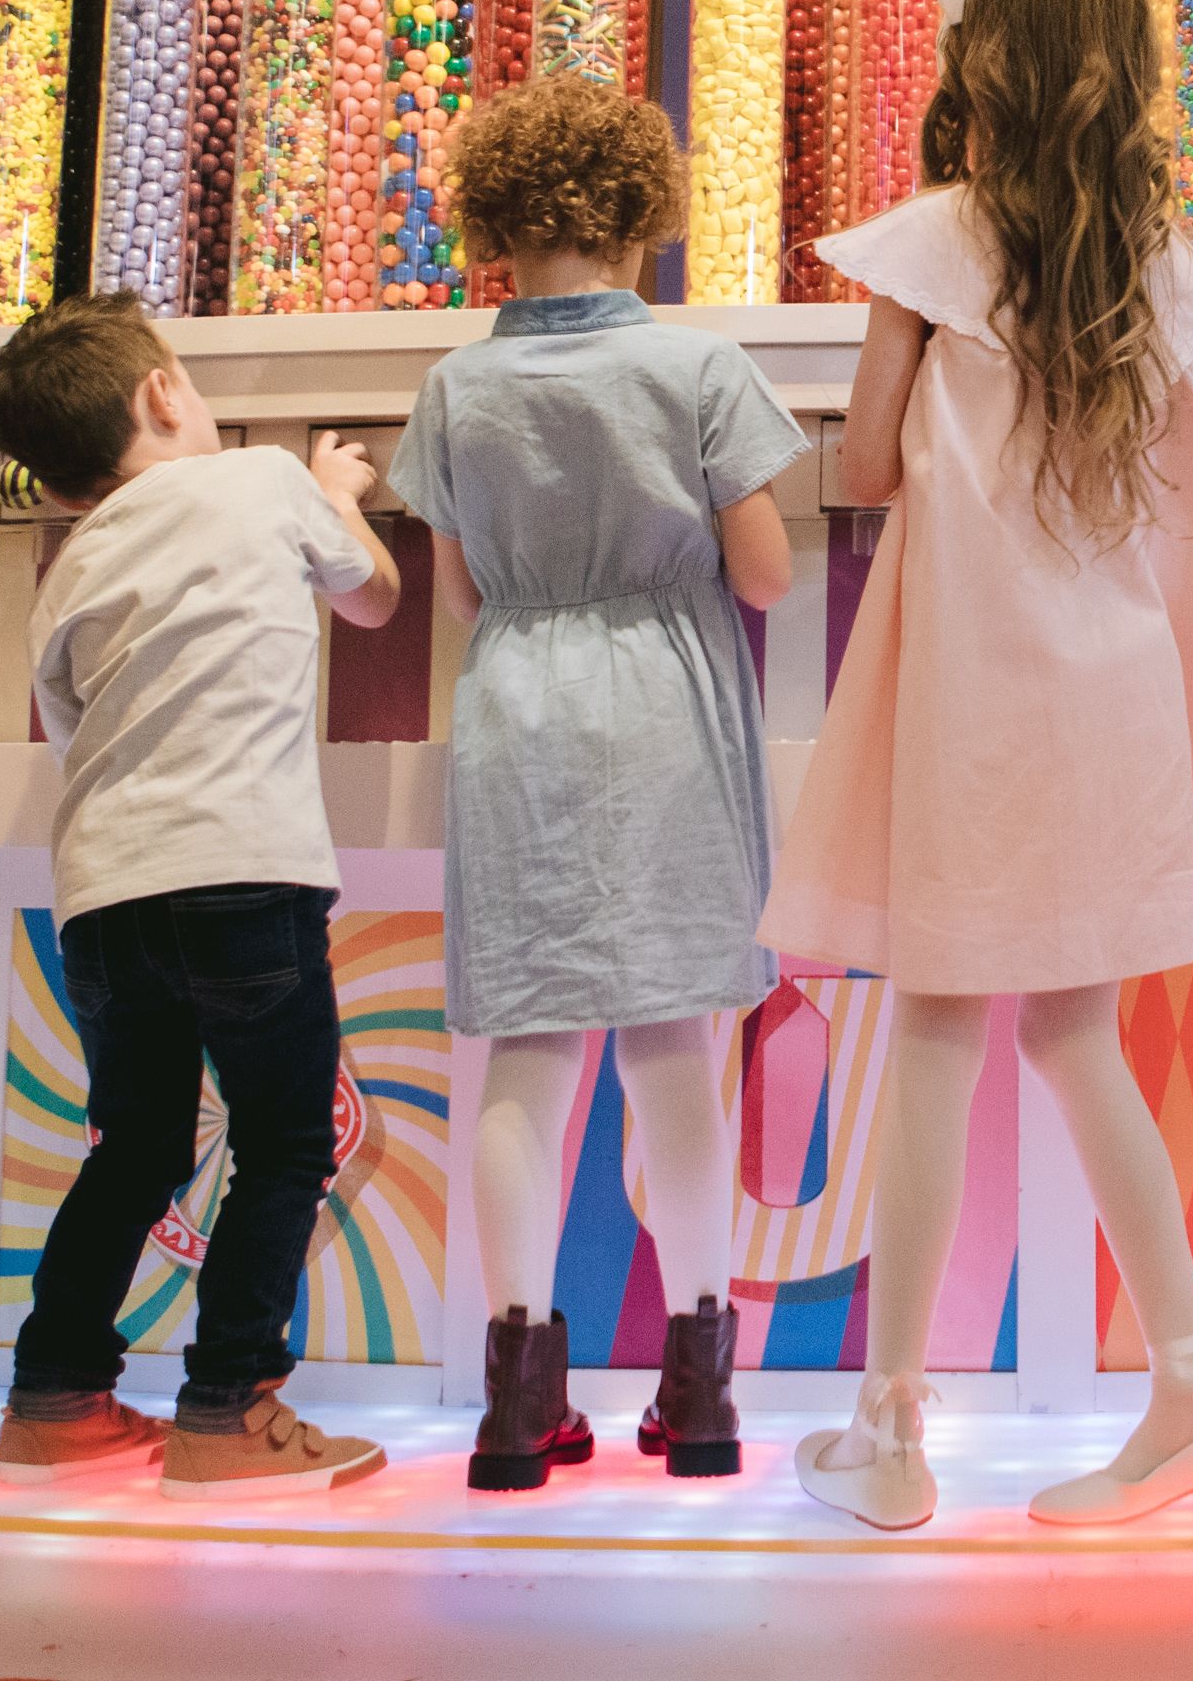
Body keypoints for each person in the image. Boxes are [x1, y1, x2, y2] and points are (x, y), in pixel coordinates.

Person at [762, 0, 1193, 1531]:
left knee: (932, 1027)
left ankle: (892, 1425)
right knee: (1070, 1035)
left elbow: (861, 468)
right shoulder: (1160, 269)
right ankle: (1191, 1375)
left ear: (983, 64)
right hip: (1113, 692)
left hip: (979, 693)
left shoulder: (931, 248)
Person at [388, 76, 807, 1492]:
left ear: (492, 227)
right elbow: (766, 575)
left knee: (529, 1048)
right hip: (669, 708)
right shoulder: (699, 369)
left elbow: (460, 599)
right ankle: (701, 1396)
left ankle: (518, 1405)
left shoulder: (455, 387)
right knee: (671, 1039)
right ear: (642, 218)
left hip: (522, 709)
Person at [0, 292, 404, 1499]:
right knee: (282, 1144)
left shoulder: (64, 572)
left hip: (104, 897)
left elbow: (75, 735)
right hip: (242, 874)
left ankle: (52, 1403)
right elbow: (373, 596)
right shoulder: (264, 482)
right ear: (165, 395)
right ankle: (228, 1410)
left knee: (135, 1150)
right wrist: (337, 496)